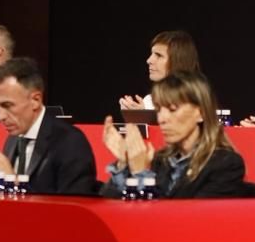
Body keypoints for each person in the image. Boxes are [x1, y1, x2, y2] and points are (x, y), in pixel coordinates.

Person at [101, 72, 247, 198]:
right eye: (159, 109)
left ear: (201, 113)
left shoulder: (225, 164)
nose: (162, 119)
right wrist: (123, 164)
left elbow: (182, 221)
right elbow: (110, 207)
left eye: (172, 109)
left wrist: (141, 174)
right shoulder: (159, 160)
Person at [0, 58, 97, 195]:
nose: (0, 117)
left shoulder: (70, 142)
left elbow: (74, 209)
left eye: (8, 105)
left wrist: (13, 182)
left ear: (35, 100)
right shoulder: (13, 139)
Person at [119, 29, 200, 111]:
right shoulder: (149, 101)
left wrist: (148, 116)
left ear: (179, 61)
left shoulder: (200, 101)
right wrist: (136, 118)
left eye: (159, 55)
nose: (149, 60)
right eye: (152, 54)